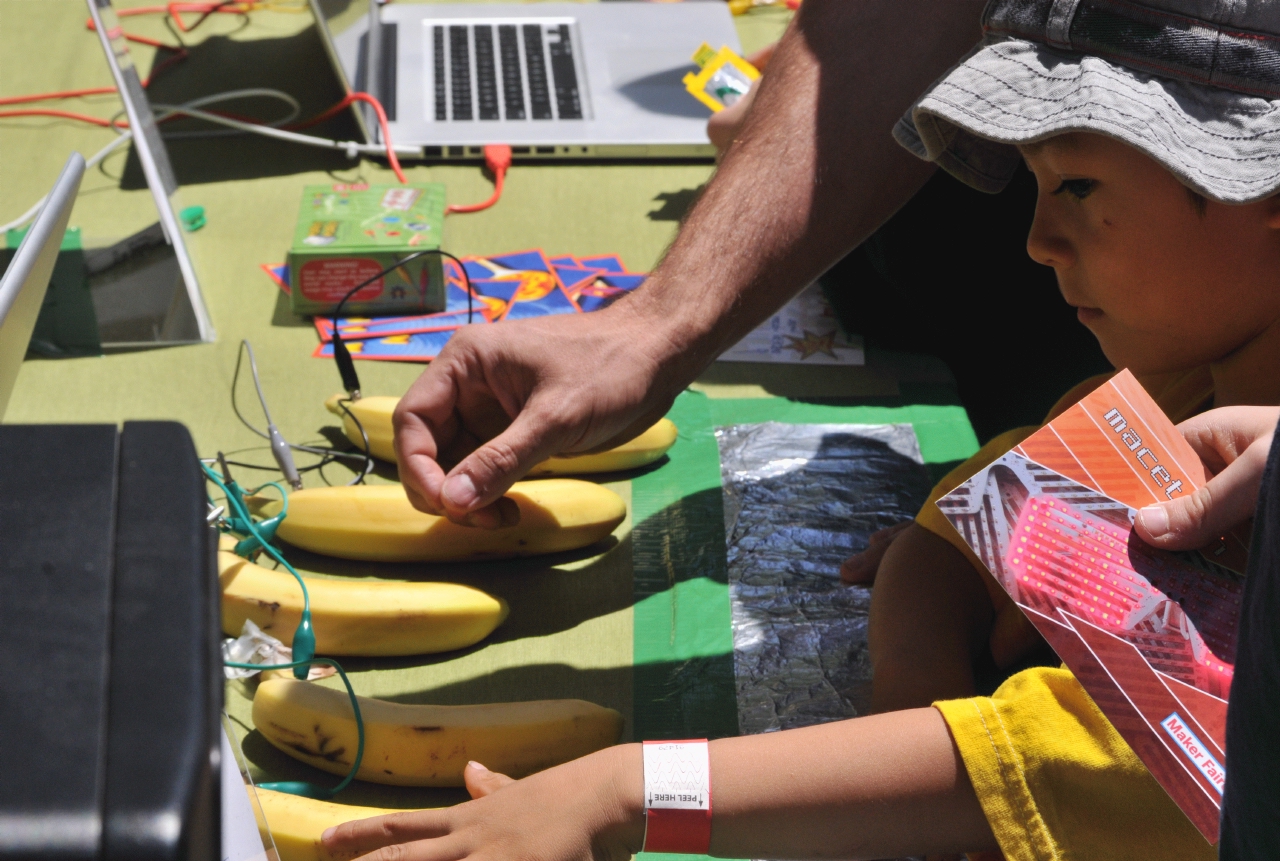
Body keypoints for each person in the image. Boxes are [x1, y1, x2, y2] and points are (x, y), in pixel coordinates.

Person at [327, 2, 1280, 859]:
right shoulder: (1175, 395)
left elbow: (1026, 761)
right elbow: (973, 517)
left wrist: (622, 792)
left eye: (1074, 186)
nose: (1034, 241)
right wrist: (918, 671)